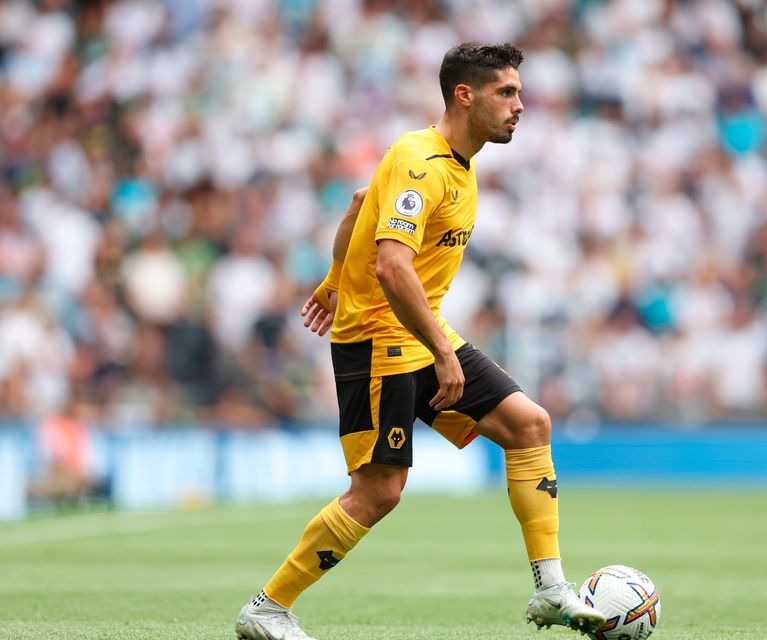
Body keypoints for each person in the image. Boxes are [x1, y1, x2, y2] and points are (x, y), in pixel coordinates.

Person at [235, 42, 605, 640]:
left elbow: (360, 204)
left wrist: (332, 280)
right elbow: (391, 268)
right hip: (381, 341)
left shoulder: (457, 161)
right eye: (506, 92)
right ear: (466, 95)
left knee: (529, 425)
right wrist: (437, 348)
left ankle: (550, 589)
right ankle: (268, 607)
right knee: (379, 491)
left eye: (518, 92)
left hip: (418, 331)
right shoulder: (421, 160)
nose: (519, 105)